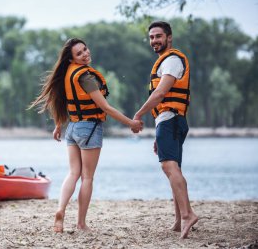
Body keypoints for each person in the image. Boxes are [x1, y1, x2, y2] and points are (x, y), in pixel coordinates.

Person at [30, 38, 143, 232]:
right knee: (87, 177)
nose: (85, 54)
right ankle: (81, 223)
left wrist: (58, 125)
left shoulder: (68, 73)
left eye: (85, 49)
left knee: (73, 173)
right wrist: (130, 123)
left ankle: (60, 209)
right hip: (89, 128)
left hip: (72, 129)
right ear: (72, 58)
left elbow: (65, 102)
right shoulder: (87, 77)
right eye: (79, 53)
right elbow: (105, 107)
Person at [133, 21, 198, 239]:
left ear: (169, 37)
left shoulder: (171, 61)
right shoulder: (168, 60)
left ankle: (188, 214)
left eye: (158, 36)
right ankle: (180, 219)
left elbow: (160, 94)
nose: (154, 41)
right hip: (171, 121)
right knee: (174, 169)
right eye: (151, 37)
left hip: (170, 120)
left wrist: (139, 114)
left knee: (169, 167)